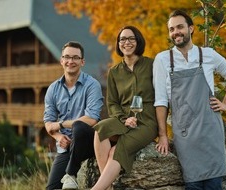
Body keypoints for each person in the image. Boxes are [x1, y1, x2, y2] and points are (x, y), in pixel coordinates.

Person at [153, 10, 226, 190]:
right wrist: (162, 135)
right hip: (185, 133)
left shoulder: (208, 54)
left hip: (211, 131)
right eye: (171, 29)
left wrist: (225, 104)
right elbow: (161, 101)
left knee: (214, 184)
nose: (175, 32)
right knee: (192, 184)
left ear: (191, 28)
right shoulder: (163, 59)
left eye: (179, 27)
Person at [91, 26, 158, 190]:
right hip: (124, 119)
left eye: (131, 38)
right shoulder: (114, 71)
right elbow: (112, 103)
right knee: (100, 130)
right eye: (122, 39)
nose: (126, 42)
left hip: (147, 122)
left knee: (117, 149)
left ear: (138, 41)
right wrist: (124, 119)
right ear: (118, 44)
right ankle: (107, 186)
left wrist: (163, 133)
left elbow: (162, 97)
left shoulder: (152, 65)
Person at [43, 41, 103, 190]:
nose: (71, 61)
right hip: (66, 147)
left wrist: (61, 124)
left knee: (79, 126)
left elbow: (91, 118)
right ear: (61, 60)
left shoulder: (92, 85)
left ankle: (70, 175)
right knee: (52, 188)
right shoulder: (53, 89)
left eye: (75, 58)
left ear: (82, 62)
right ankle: (68, 176)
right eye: (67, 57)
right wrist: (58, 137)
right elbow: (48, 123)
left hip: (88, 141)